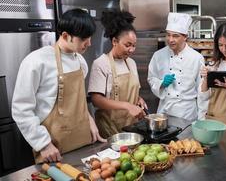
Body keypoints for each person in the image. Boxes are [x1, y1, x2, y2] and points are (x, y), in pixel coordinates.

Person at [12, 9, 106, 163]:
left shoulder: (80, 62)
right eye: (83, 38)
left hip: (83, 140)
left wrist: (89, 120)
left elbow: (78, 101)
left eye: (90, 38)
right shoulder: (36, 61)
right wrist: (43, 144)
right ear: (65, 36)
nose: (89, 43)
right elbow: (21, 110)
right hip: (53, 147)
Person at [88, 10, 146, 138]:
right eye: (127, 45)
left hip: (131, 125)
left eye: (134, 45)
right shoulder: (101, 63)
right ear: (114, 41)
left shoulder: (131, 63)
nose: (131, 50)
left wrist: (138, 99)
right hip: (110, 127)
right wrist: (127, 106)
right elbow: (96, 99)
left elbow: (132, 92)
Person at [147, 12, 205, 121]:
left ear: (185, 37)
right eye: (168, 35)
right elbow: (151, 78)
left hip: (187, 113)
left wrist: (201, 118)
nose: (170, 39)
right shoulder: (158, 55)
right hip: (164, 112)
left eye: (175, 36)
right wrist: (161, 83)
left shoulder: (196, 58)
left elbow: (201, 90)